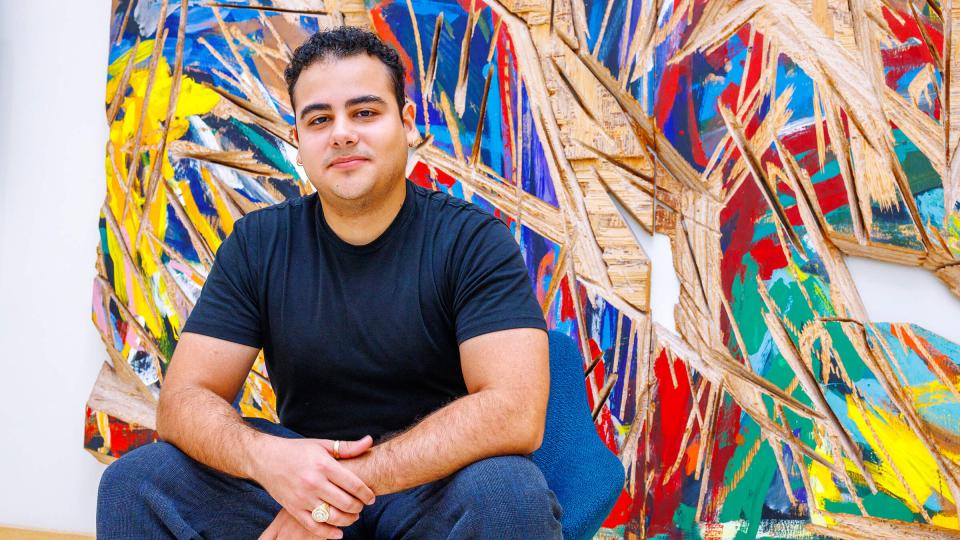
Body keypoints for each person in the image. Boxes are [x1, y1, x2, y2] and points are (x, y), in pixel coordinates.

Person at [96, 25, 563, 539]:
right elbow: (183, 402)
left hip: (428, 487)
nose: (342, 133)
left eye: (365, 112)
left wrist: (328, 493)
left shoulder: (474, 241)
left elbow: (515, 412)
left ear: (406, 124)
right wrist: (269, 461)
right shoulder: (259, 243)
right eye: (320, 119)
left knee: (509, 491)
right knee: (133, 482)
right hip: (292, 472)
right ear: (299, 139)